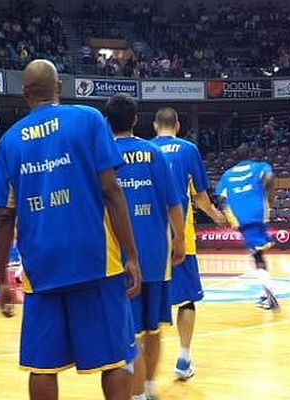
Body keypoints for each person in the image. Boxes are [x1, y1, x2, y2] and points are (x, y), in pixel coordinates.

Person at [0, 59, 141, 400]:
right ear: (60, 89)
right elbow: (112, 191)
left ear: (25, 94)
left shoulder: (10, 142)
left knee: (42, 366)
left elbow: (3, 216)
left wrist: (0, 279)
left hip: (42, 269)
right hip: (96, 261)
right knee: (115, 359)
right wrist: (131, 255)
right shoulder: (88, 119)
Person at [105, 93, 186, 400]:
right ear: (136, 120)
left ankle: (136, 392)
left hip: (115, 258)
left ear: (106, 121)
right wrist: (179, 239)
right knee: (153, 329)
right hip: (154, 255)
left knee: (127, 333)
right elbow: (173, 204)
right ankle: (148, 389)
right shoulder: (153, 153)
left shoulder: (102, 154)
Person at [151, 107, 225, 380]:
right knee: (187, 300)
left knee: (151, 302)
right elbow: (200, 197)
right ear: (178, 126)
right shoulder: (188, 150)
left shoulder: (144, 149)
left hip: (151, 236)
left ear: (155, 125)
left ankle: (144, 377)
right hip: (182, 235)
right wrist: (217, 216)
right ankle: (183, 358)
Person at [215, 144, 279, 311]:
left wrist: (230, 217)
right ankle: (267, 293)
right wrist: (269, 198)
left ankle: (271, 296)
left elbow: (221, 200)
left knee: (257, 256)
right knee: (259, 254)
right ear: (251, 155)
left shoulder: (227, 175)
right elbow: (269, 176)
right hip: (259, 213)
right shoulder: (259, 167)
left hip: (242, 217)